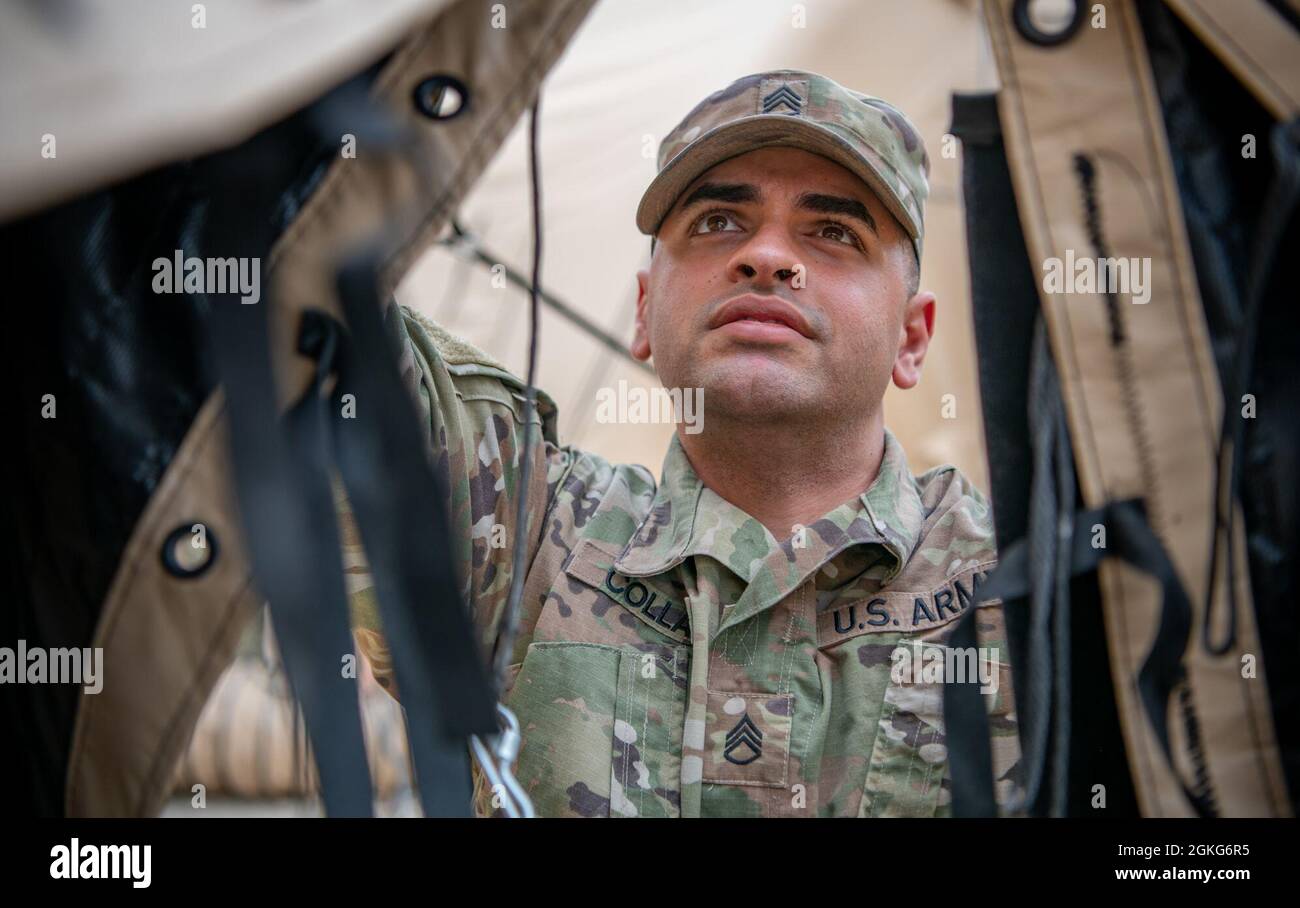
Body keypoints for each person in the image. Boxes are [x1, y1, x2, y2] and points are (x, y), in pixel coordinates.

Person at [347, 69, 1023, 817]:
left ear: (912, 337)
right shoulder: (526, 532)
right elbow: (306, 324)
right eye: (717, 224)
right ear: (643, 312)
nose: (767, 257)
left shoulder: (1020, 589)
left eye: (834, 232)